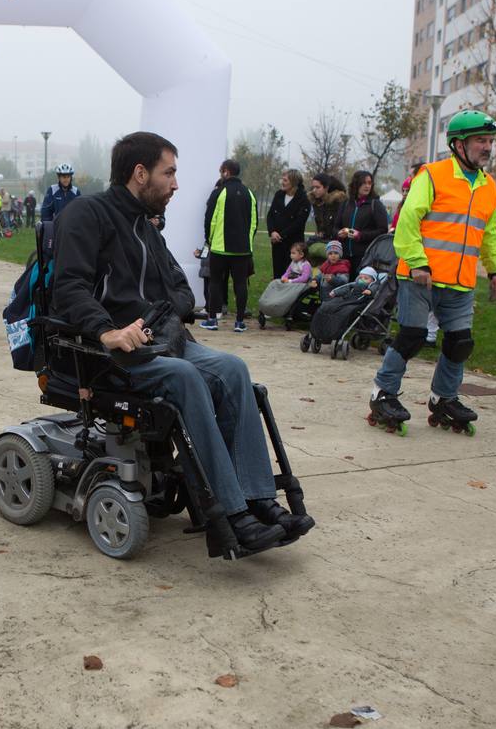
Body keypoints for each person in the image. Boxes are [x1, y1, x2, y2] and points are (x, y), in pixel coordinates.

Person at [51, 130, 313, 552]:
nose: (176, 183)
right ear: (140, 173)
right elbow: (69, 288)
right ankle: (229, 513)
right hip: (110, 354)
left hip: (161, 342)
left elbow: (183, 292)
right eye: (168, 172)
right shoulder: (88, 214)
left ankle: (259, 498)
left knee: (233, 369)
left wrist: (153, 317)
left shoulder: (148, 229)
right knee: (187, 377)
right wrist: (110, 330)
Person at [370, 110, 496, 431]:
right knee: (412, 337)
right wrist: (417, 261)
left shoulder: (489, 187)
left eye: (490, 141)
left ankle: (443, 398)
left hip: (460, 282)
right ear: (458, 144)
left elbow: (489, 234)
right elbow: (408, 221)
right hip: (422, 277)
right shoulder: (432, 175)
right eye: (480, 141)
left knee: (460, 343)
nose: (487, 147)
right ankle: (382, 392)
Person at [199, 159, 257, 333]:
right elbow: (254, 223)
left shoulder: (219, 192)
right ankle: (239, 322)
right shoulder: (249, 193)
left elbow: (210, 219)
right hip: (242, 249)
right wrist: (248, 243)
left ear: (226, 171)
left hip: (219, 248)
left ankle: (212, 320)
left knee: (215, 282)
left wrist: (209, 240)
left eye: (221, 171)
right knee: (240, 284)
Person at [331, 170, 389, 278]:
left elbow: (382, 230)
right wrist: (339, 233)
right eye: (364, 183)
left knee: (358, 289)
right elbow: (335, 227)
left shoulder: (376, 204)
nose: (367, 186)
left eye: (369, 183)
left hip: (365, 257)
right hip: (344, 257)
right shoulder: (346, 204)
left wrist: (360, 235)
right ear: (356, 184)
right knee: (342, 288)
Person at [266, 169, 312, 278]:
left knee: (292, 275)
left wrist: (281, 235)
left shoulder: (304, 200)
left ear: (294, 182)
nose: (282, 182)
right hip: (277, 243)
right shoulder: (279, 195)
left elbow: (299, 223)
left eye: (285, 180)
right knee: (278, 274)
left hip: (294, 244)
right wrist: (272, 232)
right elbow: (270, 215)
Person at [306, 173, 346, 256]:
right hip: (323, 240)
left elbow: (336, 228)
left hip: (336, 243)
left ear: (326, 188)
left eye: (317, 187)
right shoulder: (317, 202)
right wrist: (320, 233)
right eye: (313, 187)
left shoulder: (338, 203)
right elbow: (321, 227)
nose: (314, 190)